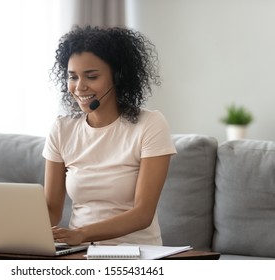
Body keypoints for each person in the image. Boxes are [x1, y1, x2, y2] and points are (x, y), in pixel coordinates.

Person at [42, 25, 176, 246]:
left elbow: (143, 213)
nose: (79, 87)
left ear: (118, 77)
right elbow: (51, 211)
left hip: (136, 253)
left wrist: (82, 234)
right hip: (79, 252)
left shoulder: (150, 124)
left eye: (91, 76)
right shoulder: (61, 129)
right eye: (72, 77)